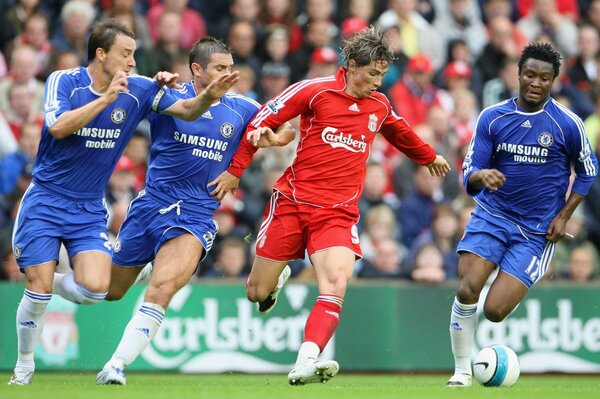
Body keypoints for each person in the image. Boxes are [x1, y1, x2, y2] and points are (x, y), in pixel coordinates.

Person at [209, 26, 450, 385]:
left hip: (337, 213)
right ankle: (275, 283)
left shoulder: (379, 105)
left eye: (382, 75)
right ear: (352, 65)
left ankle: (306, 359)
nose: (377, 81)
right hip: (292, 202)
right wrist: (235, 170)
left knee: (336, 282)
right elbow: (262, 120)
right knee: (256, 292)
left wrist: (429, 157)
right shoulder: (315, 91)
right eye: (372, 73)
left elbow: (401, 133)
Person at [8, 19, 239, 386]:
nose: (133, 62)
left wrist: (210, 94)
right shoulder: (64, 81)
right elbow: (57, 127)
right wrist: (106, 100)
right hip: (46, 201)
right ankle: (23, 366)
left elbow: (188, 110)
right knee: (38, 290)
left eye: (134, 54)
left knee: (98, 290)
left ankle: (45, 280)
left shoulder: (141, 88)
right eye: (126, 54)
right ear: (101, 54)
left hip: (87, 208)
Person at [95, 37, 292, 385]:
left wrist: (272, 139)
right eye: (220, 68)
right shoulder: (170, 94)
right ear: (197, 69)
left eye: (230, 68)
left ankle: (115, 365)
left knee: (163, 287)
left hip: (196, 214)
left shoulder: (244, 107)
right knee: (110, 291)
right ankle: (140, 269)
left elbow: (286, 127)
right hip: (151, 206)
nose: (228, 75)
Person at [446, 42, 598, 387]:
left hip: (536, 231)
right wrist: (480, 176)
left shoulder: (567, 124)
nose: (535, 82)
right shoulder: (493, 117)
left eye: (544, 78)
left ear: (553, 81)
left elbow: (588, 171)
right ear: (518, 74)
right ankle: (460, 370)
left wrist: (564, 216)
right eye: (529, 74)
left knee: (495, 311)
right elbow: (469, 171)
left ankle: (481, 341)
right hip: (492, 215)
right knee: (468, 288)